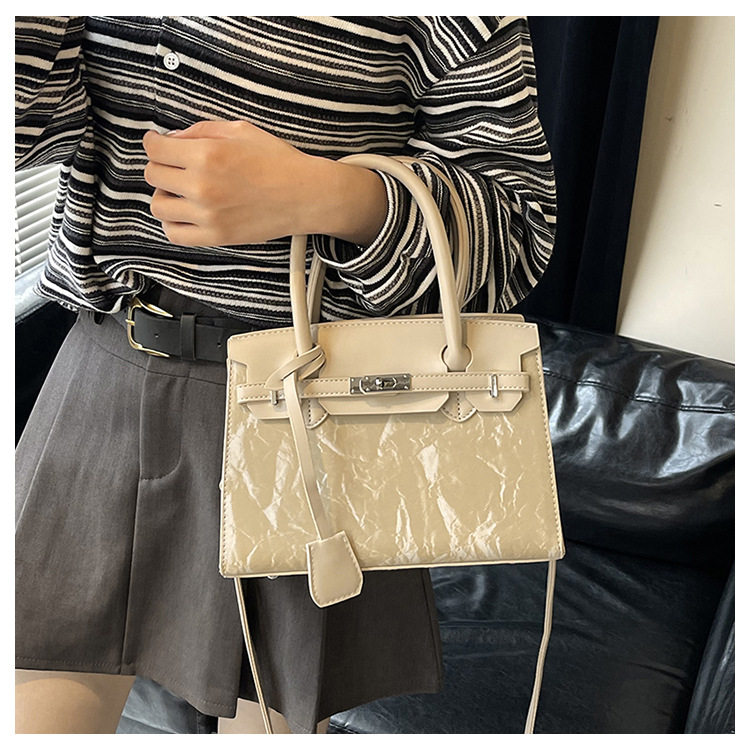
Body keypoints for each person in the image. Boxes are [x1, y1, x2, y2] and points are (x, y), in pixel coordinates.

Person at [15, 16, 557, 734]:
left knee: (272, 720)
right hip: (108, 371)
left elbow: (516, 232)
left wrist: (328, 195)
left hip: (313, 407)